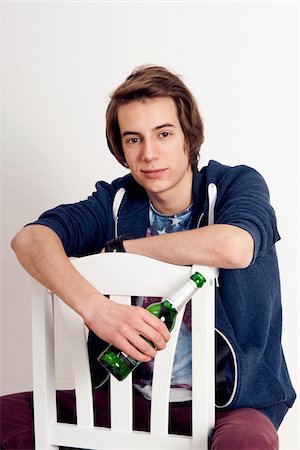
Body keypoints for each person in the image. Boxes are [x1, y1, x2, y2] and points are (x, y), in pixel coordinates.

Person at [1, 65, 296, 450]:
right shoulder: (116, 202)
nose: (150, 153)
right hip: (128, 398)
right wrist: (96, 309)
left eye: (164, 134)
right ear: (121, 149)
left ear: (189, 137)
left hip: (231, 405)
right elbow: (30, 240)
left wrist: (126, 248)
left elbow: (235, 247)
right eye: (133, 139)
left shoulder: (234, 185)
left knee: (246, 444)